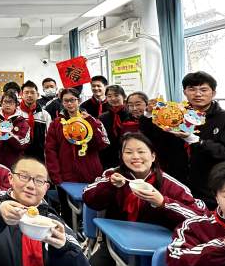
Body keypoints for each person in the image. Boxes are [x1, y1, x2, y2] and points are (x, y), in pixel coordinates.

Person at [83, 132, 207, 266]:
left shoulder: (169, 184)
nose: (135, 157)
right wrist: (109, 185)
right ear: (121, 156)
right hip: (114, 245)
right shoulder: (113, 175)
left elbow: (199, 218)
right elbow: (89, 197)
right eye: (128, 152)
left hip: (153, 251)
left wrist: (163, 202)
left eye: (141, 151)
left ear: (153, 156)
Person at [140, 71, 225, 208]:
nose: (198, 94)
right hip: (175, 189)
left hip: (211, 191)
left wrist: (197, 141)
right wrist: (149, 114)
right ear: (185, 92)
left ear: (213, 93)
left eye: (203, 90)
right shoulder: (175, 116)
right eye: (192, 89)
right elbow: (150, 140)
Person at [45, 88, 109, 225]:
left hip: (90, 174)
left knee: (90, 212)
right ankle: (70, 236)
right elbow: (50, 151)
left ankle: (89, 236)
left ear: (78, 100)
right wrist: (56, 176)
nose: (69, 104)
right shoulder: (56, 124)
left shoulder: (92, 120)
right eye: (66, 101)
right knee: (68, 212)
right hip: (66, 176)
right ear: (62, 103)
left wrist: (91, 123)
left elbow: (102, 144)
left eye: (72, 100)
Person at [0, 90, 30, 170]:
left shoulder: (23, 122)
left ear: (16, 105)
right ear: (1, 103)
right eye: (5, 102)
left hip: (13, 165)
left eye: (11, 102)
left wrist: (8, 135)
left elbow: (23, 144)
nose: (8, 105)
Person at [98, 85, 139, 169]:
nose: (113, 98)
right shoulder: (102, 117)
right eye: (109, 96)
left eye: (116, 95)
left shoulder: (132, 114)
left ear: (124, 96)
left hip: (130, 154)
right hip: (109, 157)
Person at [20, 80, 52, 162]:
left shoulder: (45, 115)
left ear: (37, 95)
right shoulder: (16, 113)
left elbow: (49, 139)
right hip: (19, 158)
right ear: (21, 95)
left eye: (32, 92)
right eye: (26, 92)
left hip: (39, 158)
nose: (29, 95)